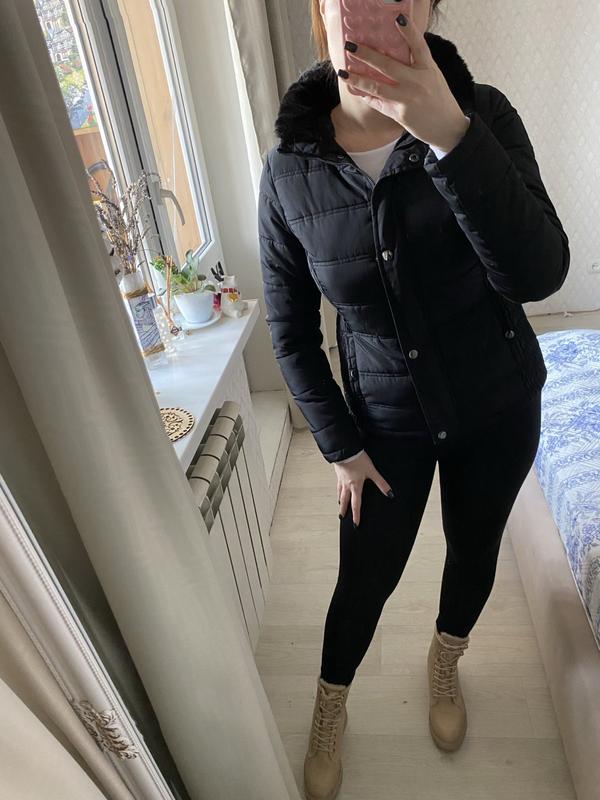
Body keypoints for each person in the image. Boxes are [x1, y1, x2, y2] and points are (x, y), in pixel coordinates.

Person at [257, 2, 570, 798]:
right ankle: (332, 701)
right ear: (321, 11)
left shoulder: (483, 116)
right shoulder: (291, 167)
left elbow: (538, 275)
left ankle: (445, 658)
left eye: (398, 1)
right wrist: (338, 445)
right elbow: (290, 332)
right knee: (365, 577)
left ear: (428, 11)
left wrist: (451, 139)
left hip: (496, 402)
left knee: (474, 551)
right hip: (382, 423)